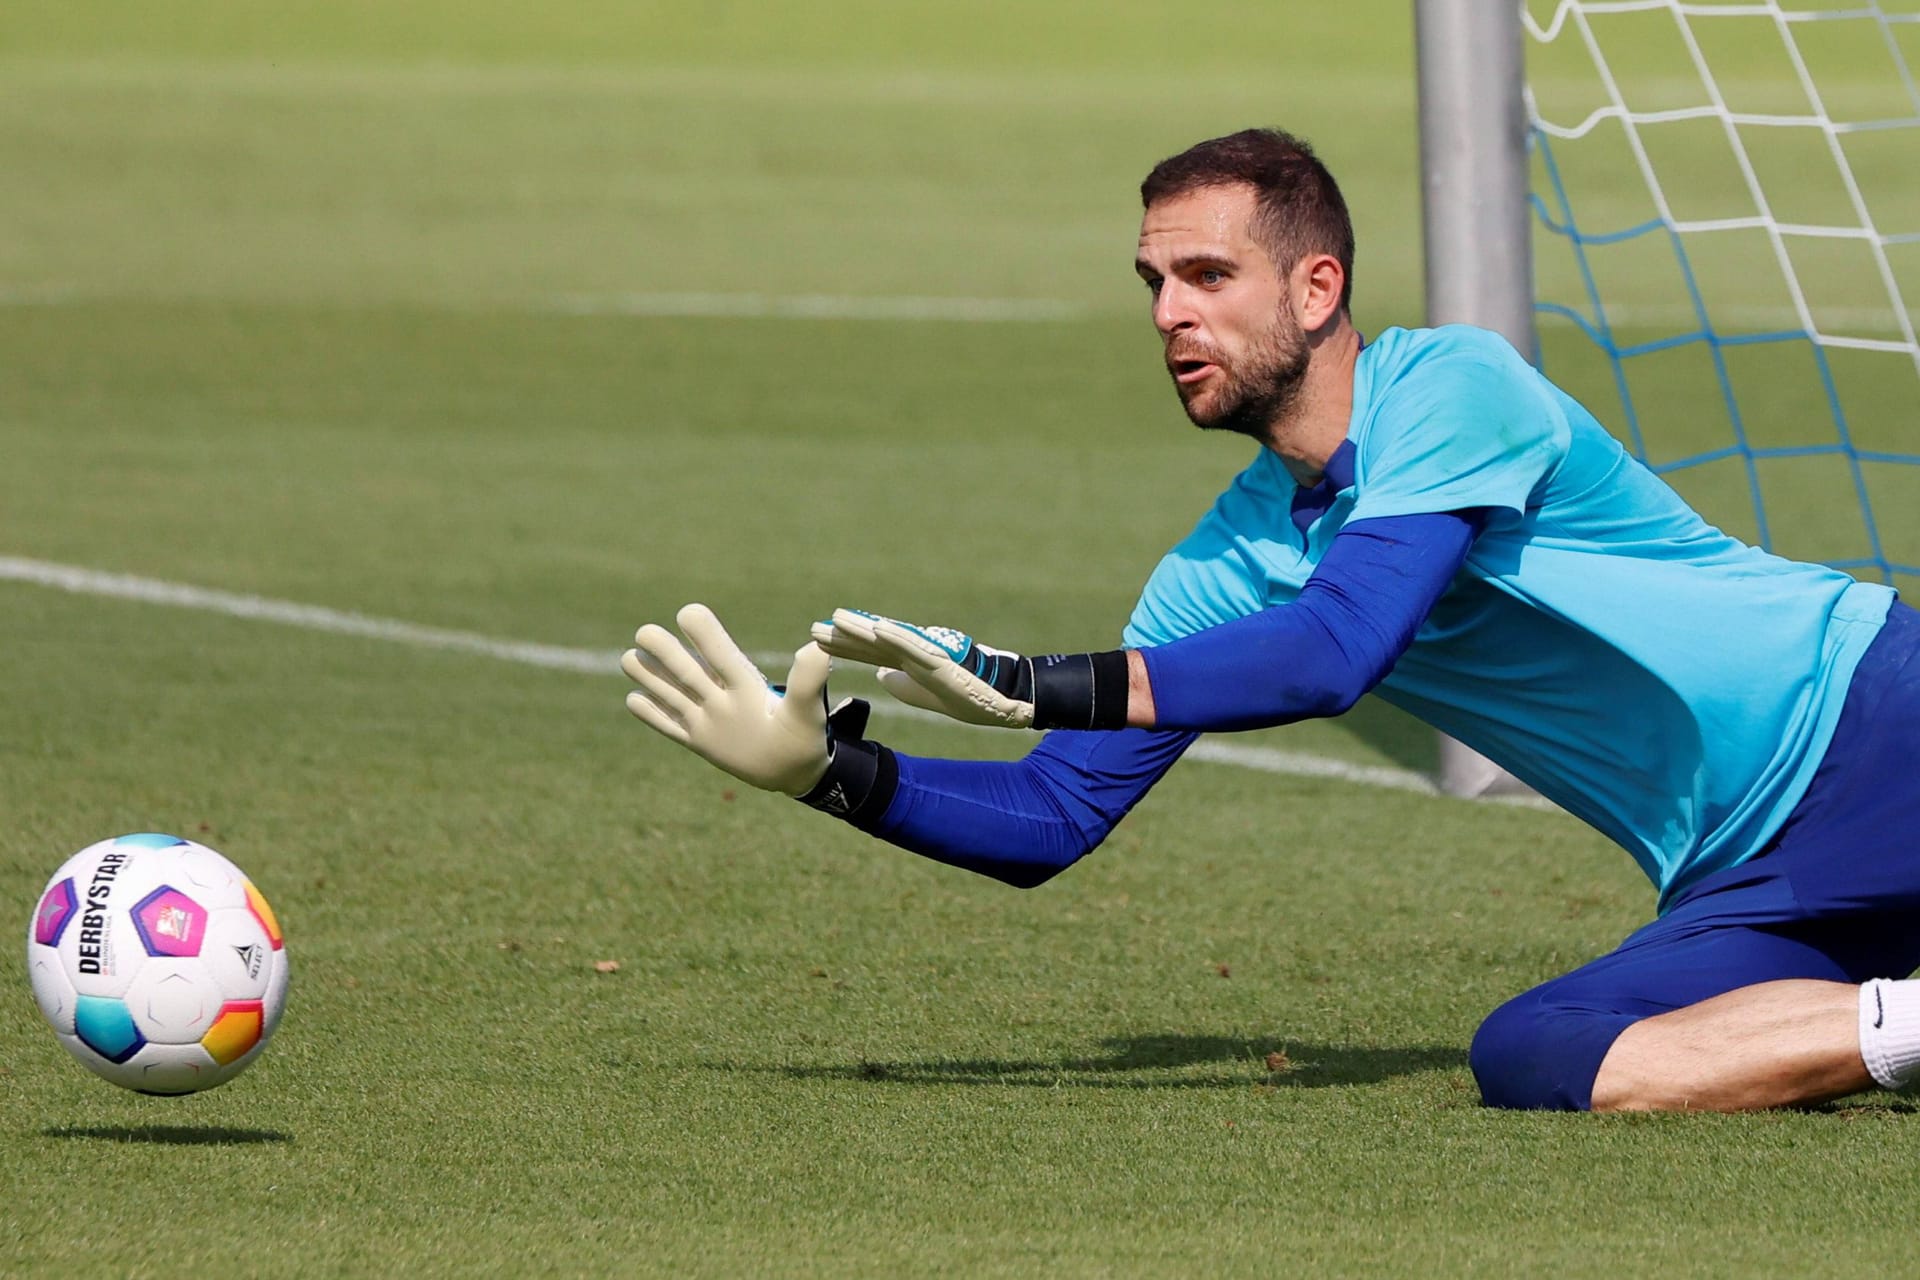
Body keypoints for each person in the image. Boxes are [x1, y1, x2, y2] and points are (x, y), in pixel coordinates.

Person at [620, 128, 1920, 1113]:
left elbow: (1333, 653)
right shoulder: (1220, 564)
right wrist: (828, 772)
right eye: (1152, 282)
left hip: (1880, 720)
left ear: (1314, 286)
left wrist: (1033, 677)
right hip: (1752, 882)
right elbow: (1049, 822)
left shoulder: (1452, 386)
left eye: (1205, 274)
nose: (1170, 313)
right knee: (1535, 1053)